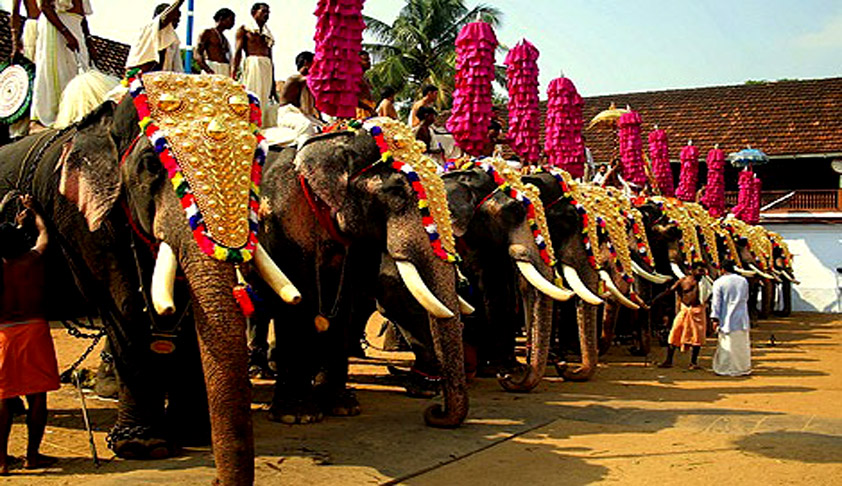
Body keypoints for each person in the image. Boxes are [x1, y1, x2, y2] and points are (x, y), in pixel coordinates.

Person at [0, 195, 58, 474]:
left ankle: (0, 460)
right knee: (37, 397)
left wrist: (12, 223)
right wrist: (35, 211)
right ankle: (32, 456)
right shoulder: (32, 260)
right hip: (34, 330)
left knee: (2, 398)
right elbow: (45, 235)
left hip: (3, 336)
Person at [31, 0, 95, 128]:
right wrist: (66, 33)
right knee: (59, 71)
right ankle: (56, 115)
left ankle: (75, 112)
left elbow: (82, 16)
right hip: (57, 28)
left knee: (79, 71)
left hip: (76, 28)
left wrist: (89, 40)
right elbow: (44, 6)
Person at [262, 51, 323, 147]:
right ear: (307, 63)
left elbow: (315, 105)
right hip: (288, 114)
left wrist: (321, 121)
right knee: (306, 126)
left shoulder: (310, 85)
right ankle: (302, 155)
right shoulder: (294, 79)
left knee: (324, 128)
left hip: (302, 114)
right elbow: (312, 79)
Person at [653, 262, 707, 369]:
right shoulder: (683, 281)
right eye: (699, 270)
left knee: (697, 337)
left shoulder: (705, 283)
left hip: (698, 312)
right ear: (692, 270)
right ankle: (668, 361)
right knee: (674, 334)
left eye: (703, 271)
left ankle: (693, 362)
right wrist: (654, 301)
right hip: (685, 311)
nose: (702, 273)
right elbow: (669, 291)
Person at [232, 3, 276, 127]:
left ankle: (259, 128)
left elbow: (271, 59)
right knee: (252, 95)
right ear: (254, 12)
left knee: (264, 98)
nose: (266, 15)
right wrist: (233, 74)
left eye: (268, 12)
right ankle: (248, 126)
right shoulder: (245, 30)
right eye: (263, 11)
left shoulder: (267, 35)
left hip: (266, 67)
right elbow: (237, 53)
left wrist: (273, 82)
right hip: (253, 65)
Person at [711, 260, 752, 376]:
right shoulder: (743, 281)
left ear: (722, 269)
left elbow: (716, 303)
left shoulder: (719, 282)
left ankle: (726, 368)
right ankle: (743, 368)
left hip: (726, 318)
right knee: (741, 345)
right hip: (742, 318)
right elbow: (746, 298)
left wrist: (715, 318)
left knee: (727, 345)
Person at [8, 0, 40, 137]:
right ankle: (25, 123)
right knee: (32, 76)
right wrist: (15, 43)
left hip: (53, 30)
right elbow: (14, 14)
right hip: (34, 29)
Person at [125, 1, 185, 73]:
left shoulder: (174, 40)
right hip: (137, 76)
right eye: (174, 19)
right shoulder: (149, 28)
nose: (176, 23)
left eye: (178, 20)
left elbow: (177, 69)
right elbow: (165, 18)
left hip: (159, 80)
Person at [195, 8, 235, 76]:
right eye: (231, 19)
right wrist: (208, 70)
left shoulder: (225, 39)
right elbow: (197, 54)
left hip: (224, 70)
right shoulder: (207, 33)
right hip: (212, 68)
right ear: (221, 18)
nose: (233, 23)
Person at [356, 50, 376, 119]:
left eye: (369, 60)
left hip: (368, 111)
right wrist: (368, 108)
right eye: (365, 60)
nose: (369, 62)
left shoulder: (365, 78)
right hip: (360, 113)